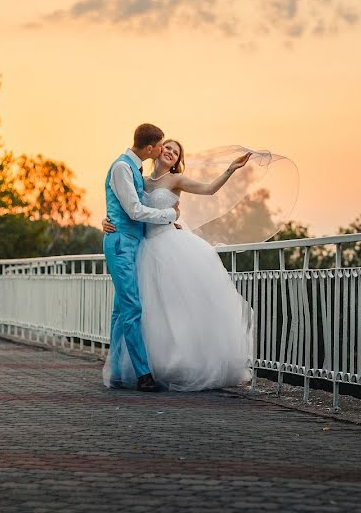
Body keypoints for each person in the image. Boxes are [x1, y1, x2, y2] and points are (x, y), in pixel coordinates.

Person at [102, 140, 253, 391]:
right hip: (144, 248)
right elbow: (128, 206)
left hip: (170, 245)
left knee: (179, 305)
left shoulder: (177, 180)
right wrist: (107, 220)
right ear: (157, 150)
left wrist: (230, 169)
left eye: (176, 151)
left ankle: (186, 362)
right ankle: (155, 364)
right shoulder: (141, 180)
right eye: (168, 147)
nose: (171, 152)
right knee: (152, 310)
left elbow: (209, 190)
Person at [102, 123, 180, 392]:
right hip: (122, 244)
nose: (162, 149)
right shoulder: (123, 167)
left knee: (120, 310)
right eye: (160, 145)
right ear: (150, 148)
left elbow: (124, 207)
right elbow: (134, 210)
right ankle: (143, 375)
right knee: (132, 307)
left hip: (130, 243)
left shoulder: (134, 169)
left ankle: (114, 371)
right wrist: (169, 216)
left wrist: (169, 224)